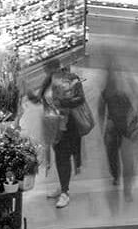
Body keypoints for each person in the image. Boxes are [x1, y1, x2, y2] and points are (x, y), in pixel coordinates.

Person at [31, 65, 91, 209]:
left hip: (69, 124)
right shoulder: (49, 80)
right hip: (54, 125)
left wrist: (61, 103)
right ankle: (63, 186)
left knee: (63, 156)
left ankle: (65, 192)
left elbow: (80, 99)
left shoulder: (72, 80)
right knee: (59, 156)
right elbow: (41, 98)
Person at [99, 59, 138, 202]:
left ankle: (127, 189)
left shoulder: (128, 85)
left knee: (127, 160)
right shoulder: (107, 89)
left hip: (126, 127)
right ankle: (116, 176)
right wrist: (104, 125)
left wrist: (137, 114)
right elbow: (101, 109)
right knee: (112, 155)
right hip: (114, 126)